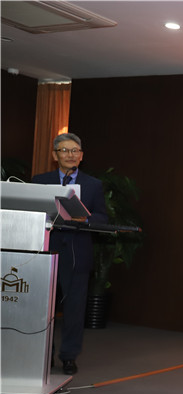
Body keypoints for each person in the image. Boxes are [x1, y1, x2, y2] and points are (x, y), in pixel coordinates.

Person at [31, 132, 108, 375]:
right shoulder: (40, 181)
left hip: (77, 253)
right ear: (55, 155)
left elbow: (102, 217)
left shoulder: (93, 184)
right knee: (43, 308)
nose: (70, 155)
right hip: (45, 250)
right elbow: (32, 210)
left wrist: (86, 217)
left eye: (75, 151)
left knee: (74, 309)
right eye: (65, 150)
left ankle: (68, 356)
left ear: (81, 156)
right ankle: (45, 355)